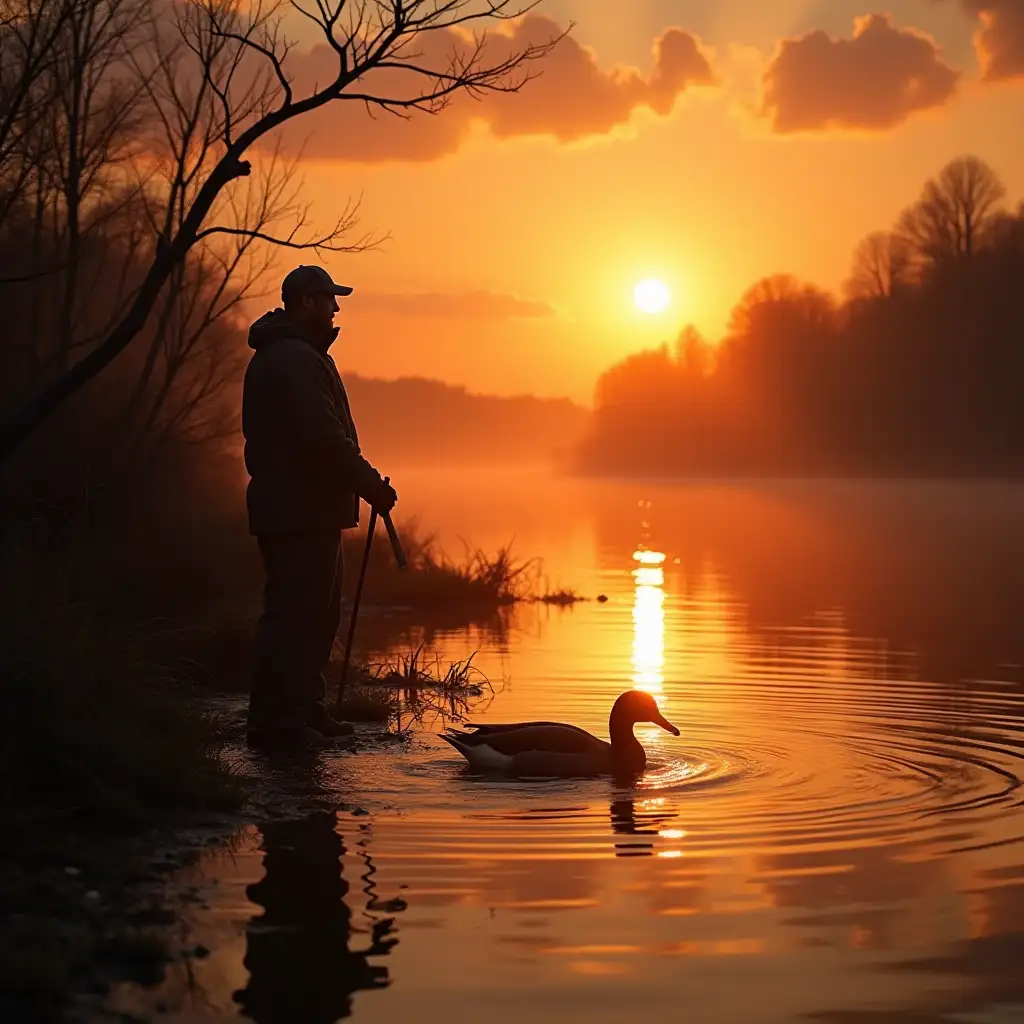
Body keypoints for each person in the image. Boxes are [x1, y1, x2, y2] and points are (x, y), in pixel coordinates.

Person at [241, 264, 398, 748]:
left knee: (318, 614)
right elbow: (324, 440)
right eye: (330, 299)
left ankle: (305, 709)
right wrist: (371, 484)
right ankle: (276, 724)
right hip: (296, 511)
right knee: (293, 616)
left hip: (310, 509)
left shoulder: (302, 354)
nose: (336, 308)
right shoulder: (293, 359)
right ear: (307, 301)